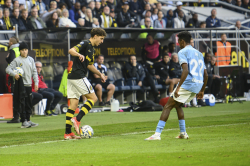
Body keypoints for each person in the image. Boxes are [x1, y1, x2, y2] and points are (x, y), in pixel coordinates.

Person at [145, 31, 208, 140]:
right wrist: (202, 90)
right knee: (177, 105)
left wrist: (178, 87)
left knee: (168, 106)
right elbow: (205, 74)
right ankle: (183, 133)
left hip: (189, 83)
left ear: (183, 41)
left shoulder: (182, 52)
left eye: (179, 41)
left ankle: (157, 134)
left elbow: (185, 70)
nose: (178, 43)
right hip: (198, 84)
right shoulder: (199, 53)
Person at [64, 28, 107, 140]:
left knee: (73, 105)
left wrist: (100, 74)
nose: (102, 41)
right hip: (78, 76)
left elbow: (89, 65)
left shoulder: (91, 49)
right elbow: (71, 50)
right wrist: (78, 54)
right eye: (101, 39)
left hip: (72, 77)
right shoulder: (85, 43)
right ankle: (77, 119)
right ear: (95, 36)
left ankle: (68, 133)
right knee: (93, 98)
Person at [6, 42, 39, 128]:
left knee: (28, 103)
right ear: (20, 51)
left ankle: (28, 120)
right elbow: (8, 69)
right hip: (20, 85)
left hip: (29, 84)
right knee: (22, 103)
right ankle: (23, 121)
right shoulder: (17, 60)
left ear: (28, 50)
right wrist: (14, 74)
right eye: (22, 50)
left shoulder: (31, 60)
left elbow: (34, 72)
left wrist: (36, 82)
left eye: (26, 50)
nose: (24, 51)